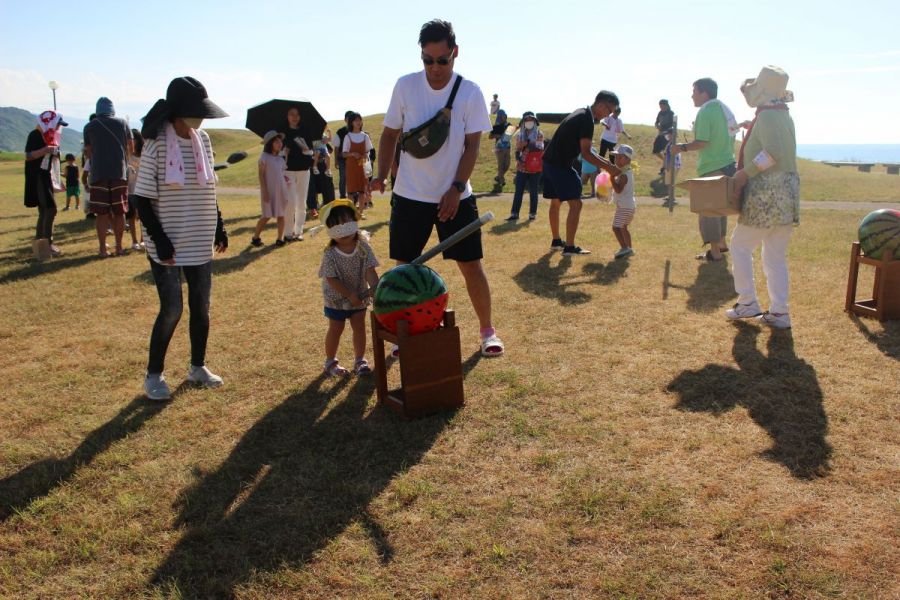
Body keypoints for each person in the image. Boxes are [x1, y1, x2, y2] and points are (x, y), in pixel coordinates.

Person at [370, 18, 505, 357]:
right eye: (427, 60)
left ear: (454, 53)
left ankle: (488, 331)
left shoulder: (470, 92)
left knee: (471, 264)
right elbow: (388, 135)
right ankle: (404, 337)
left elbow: (472, 146)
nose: (434, 68)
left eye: (442, 60)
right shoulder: (405, 86)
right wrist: (382, 174)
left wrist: (457, 187)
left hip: (456, 197)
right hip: (410, 195)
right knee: (404, 270)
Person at [133, 76, 230, 401]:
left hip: (198, 237)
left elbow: (208, 187)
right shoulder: (157, 144)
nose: (199, 119)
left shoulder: (202, 139)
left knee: (201, 307)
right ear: (177, 112)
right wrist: (159, 239)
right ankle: (153, 374)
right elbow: (141, 199)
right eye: (194, 112)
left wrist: (219, 224)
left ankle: (197, 366)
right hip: (168, 241)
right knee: (172, 308)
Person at [726, 66, 798, 329]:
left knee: (740, 245)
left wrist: (745, 173)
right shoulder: (782, 114)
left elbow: (773, 152)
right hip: (787, 191)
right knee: (775, 254)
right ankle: (779, 312)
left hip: (767, 190)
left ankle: (747, 302)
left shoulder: (767, 116)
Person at [541, 91, 622, 256]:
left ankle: (557, 241)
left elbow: (588, 151)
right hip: (559, 165)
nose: (608, 116)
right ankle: (569, 247)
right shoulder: (587, 120)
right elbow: (586, 153)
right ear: (600, 105)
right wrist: (608, 167)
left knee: (555, 203)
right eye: (609, 111)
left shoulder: (581, 113)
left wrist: (607, 164)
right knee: (576, 205)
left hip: (549, 162)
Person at [671, 77, 739, 262]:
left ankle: (715, 251)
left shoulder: (706, 111)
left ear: (704, 93)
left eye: (694, 91)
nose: (692, 95)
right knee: (720, 208)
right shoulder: (725, 109)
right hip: (728, 164)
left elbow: (702, 142)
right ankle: (722, 244)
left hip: (712, 166)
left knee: (707, 209)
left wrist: (681, 147)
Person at [318, 200, 380, 376]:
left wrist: (375, 288)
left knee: (359, 326)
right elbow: (331, 279)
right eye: (336, 225)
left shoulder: (363, 247)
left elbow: (370, 270)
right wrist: (348, 294)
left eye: (346, 223)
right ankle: (330, 362)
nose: (342, 229)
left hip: (360, 295)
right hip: (336, 299)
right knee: (336, 328)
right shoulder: (330, 253)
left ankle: (360, 360)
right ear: (329, 229)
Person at [83, 97, 134, 257]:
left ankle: (103, 249)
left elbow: (88, 151)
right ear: (112, 109)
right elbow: (131, 146)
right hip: (119, 173)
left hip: (98, 173)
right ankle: (119, 247)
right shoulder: (123, 123)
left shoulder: (89, 126)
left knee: (101, 213)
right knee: (119, 212)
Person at [24, 110, 67, 257]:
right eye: (57, 125)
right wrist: (46, 150)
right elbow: (28, 155)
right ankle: (47, 243)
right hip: (37, 176)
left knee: (45, 209)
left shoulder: (51, 137)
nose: (58, 128)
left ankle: (40, 242)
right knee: (50, 208)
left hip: (46, 175)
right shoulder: (35, 135)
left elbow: (51, 161)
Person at [251, 130, 289, 247]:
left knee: (281, 215)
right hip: (268, 191)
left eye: (280, 142)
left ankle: (280, 239)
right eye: (276, 142)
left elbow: (281, 172)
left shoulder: (280, 159)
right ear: (270, 143)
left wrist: (285, 178)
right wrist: (265, 191)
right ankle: (255, 238)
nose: (280, 144)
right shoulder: (264, 157)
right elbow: (261, 175)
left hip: (281, 190)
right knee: (266, 215)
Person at [283, 106, 314, 241]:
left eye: (297, 115)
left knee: (301, 201)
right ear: (287, 116)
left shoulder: (306, 130)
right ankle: (288, 232)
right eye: (291, 114)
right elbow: (275, 150)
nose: (294, 117)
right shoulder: (282, 132)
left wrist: (307, 151)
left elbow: (312, 151)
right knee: (289, 202)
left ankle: (299, 230)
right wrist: (284, 151)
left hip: (304, 170)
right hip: (288, 170)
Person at [506, 111, 543, 221]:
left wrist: (526, 144)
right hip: (522, 167)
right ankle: (514, 213)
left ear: (535, 122)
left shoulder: (539, 134)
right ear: (523, 122)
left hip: (534, 167)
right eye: (526, 121)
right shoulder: (519, 134)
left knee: (533, 191)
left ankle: (532, 214)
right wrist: (518, 157)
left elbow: (539, 148)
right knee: (518, 191)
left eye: (531, 120)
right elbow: (517, 149)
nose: (529, 122)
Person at [341, 113, 374, 219]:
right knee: (350, 191)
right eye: (356, 120)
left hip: (362, 166)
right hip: (351, 167)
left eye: (360, 120)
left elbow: (369, 151)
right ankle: (351, 213)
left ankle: (360, 212)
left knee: (361, 190)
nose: (358, 122)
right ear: (351, 122)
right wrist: (352, 154)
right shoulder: (348, 136)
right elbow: (343, 153)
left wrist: (365, 154)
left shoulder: (365, 136)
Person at [608, 144, 637, 258]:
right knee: (623, 227)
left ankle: (625, 248)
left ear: (628, 160)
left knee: (616, 227)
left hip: (625, 207)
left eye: (619, 157)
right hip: (629, 206)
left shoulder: (624, 175)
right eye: (616, 157)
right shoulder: (625, 172)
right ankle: (629, 248)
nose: (616, 160)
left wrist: (611, 178)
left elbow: (618, 190)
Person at [125, 129, 145, 251]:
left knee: (143, 216)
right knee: (131, 216)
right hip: (130, 189)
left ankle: (143, 240)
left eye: (134, 140)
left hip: (142, 189)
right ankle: (134, 241)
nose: (132, 143)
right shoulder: (127, 155)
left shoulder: (145, 154)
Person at [332, 111, 354, 199]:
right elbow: (336, 148)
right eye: (348, 119)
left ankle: (353, 196)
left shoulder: (357, 131)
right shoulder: (340, 132)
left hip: (354, 160)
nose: (350, 120)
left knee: (353, 178)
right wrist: (336, 160)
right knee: (343, 178)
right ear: (345, 120)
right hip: (342, 159)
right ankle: (342, 196)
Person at [489, 109, 512, 192]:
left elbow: (510, 135)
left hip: (508, 147)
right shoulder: (495, 126)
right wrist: (498, 136)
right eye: (501, 116)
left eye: (504, 116)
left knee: (507, 165)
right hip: (499, 148)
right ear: (499, 117)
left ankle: (498, 177)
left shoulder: (509, 125)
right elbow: (490, 136)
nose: (503, 118)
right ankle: (501, 182)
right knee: (501, 165)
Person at [652, 99, 675, 175]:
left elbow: (673, 125)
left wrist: (666, 130)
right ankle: (665, 161)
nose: (660, 107)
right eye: (660, 106)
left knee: (666, 152)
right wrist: (657, 126)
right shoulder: (660, 113)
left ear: (666, 105)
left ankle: (663, 169)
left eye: (662, 105)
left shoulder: (671, 113)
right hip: (661, 134)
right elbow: (656, 122)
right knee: (655, 151)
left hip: (668, 135)